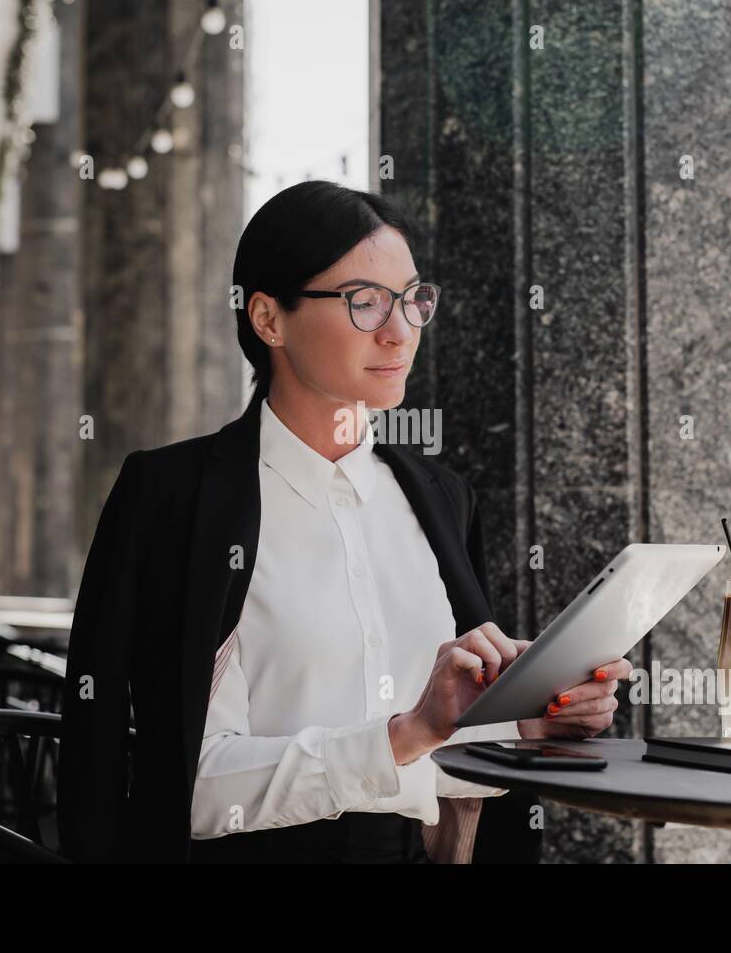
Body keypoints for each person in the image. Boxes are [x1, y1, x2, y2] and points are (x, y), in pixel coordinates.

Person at [58, 180, 629, 863]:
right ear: (269, 319)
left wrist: (528, 724)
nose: (399, 329)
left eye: (413, 299)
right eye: (364, 302)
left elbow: (449, 764)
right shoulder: (176, 499)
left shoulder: (442, 498)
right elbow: (186, 786)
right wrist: (402, 735)